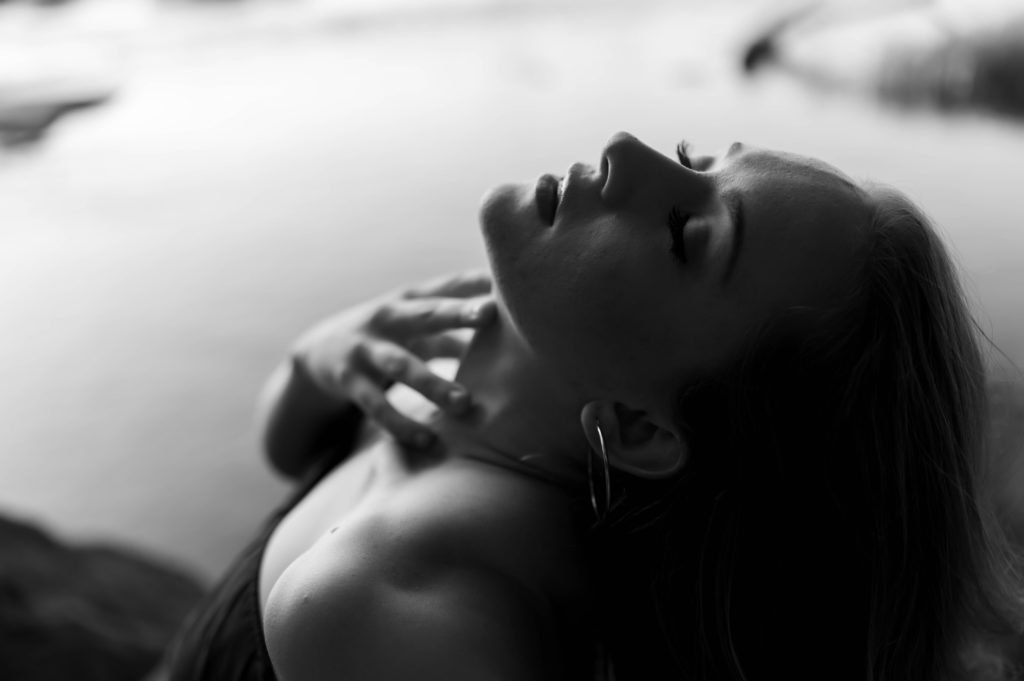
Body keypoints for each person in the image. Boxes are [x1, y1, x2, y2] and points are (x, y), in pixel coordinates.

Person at [155, 132, 1023, 681]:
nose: (625, 149)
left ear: (641, 428)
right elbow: (291, 452)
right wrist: (321, 356)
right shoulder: (459, 326)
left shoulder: (400, 608)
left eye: (687, 234)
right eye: (694, 159)